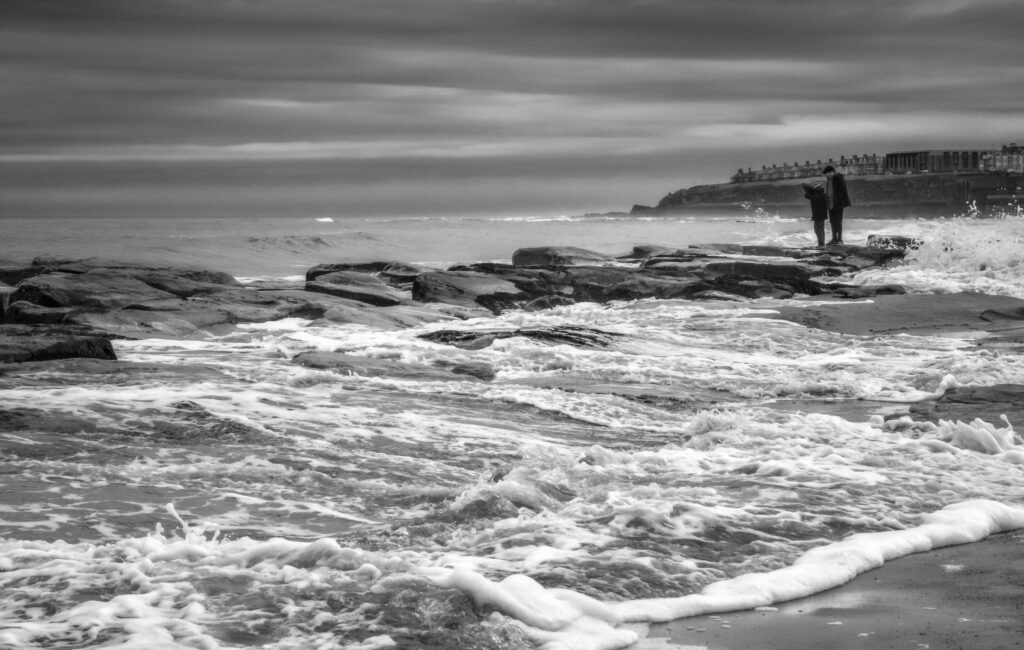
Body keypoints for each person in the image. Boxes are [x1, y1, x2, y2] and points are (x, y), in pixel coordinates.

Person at [822, 165, 851, 244]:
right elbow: (829, 192)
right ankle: (834, 238)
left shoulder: (838, 177)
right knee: (832, 221)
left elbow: (842, 191)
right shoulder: (829, 179)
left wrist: (837, 201)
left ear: (831, 171)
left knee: (838, 221)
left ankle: (839, 239)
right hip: (831, 203)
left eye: (827, 173)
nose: (826, 175)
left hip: (838, 203)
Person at [801, 182, 828, 246]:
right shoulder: (823, 195)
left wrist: (809, 190)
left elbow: (806, 194)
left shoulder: (814, 196)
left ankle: (820, 242)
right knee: (821, 228)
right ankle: (822, 242)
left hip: (817, 214)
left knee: (816, 229)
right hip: (823, 213)